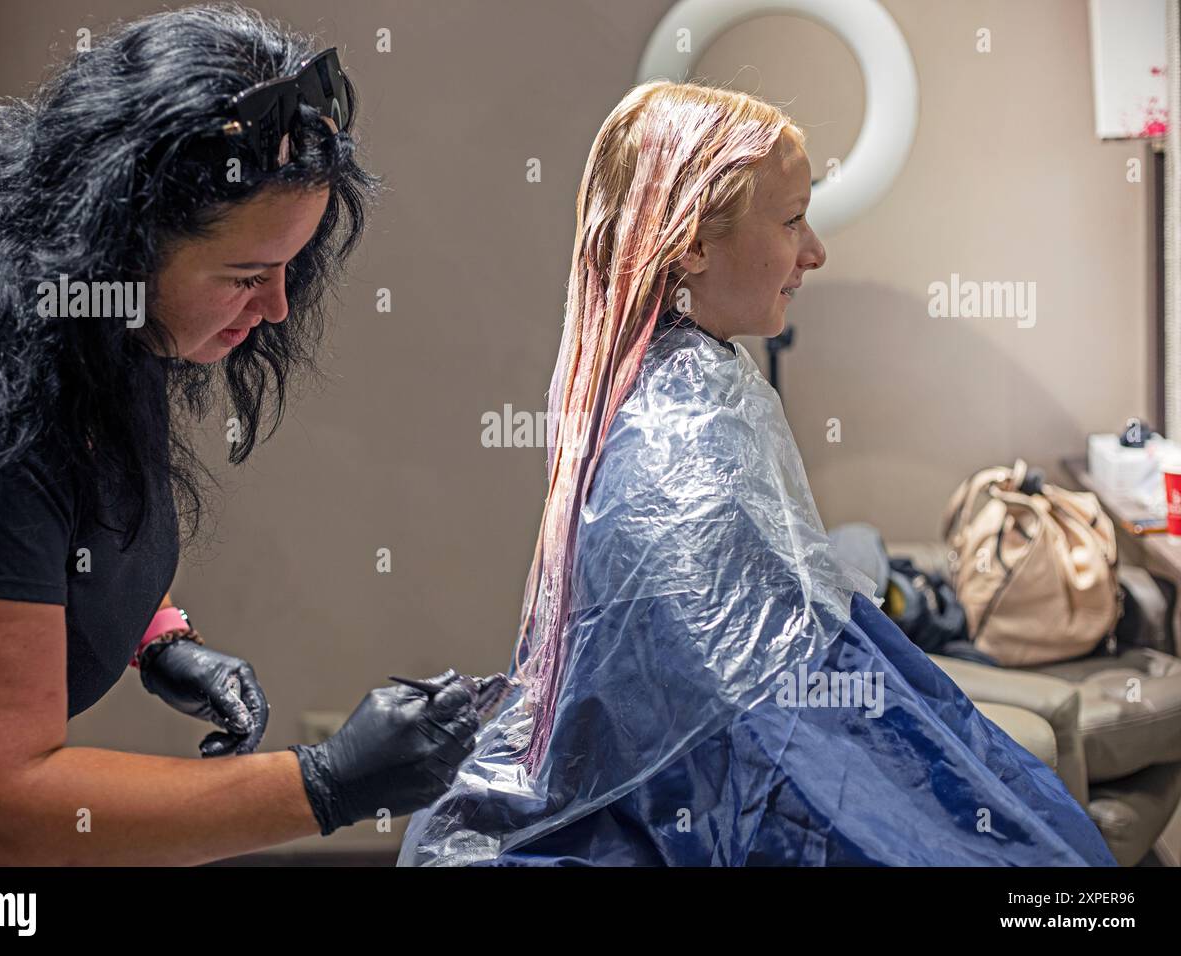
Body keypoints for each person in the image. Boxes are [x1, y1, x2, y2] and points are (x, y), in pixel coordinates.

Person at [397, 81, 1118, 866]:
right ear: (691, 245)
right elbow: (740, 748)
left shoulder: (692, 388)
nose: (816, 252)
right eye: (792, 220)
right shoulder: (682, 445)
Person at [0, 4, 478, 867]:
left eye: (290, 268)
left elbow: (56, 534)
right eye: (246, 275)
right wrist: (325, 784)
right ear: (117, 244)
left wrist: (156, 634)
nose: (276, 307)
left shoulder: (101, 325)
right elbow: (5, 806)